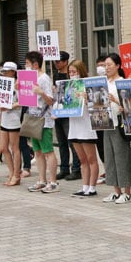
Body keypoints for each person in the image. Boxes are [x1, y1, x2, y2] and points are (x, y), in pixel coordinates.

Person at [25, 51, 59, 194]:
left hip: (44, 119)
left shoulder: (44, 78)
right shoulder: (28, 78)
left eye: (27, 64)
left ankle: (53, 181)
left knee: (48, 151)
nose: (25, 66)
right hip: (33, 117)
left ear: (35, 64)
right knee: (38, 151)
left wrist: (41, 92)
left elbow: (51, 100)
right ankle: (41, 179)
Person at [100, 53, 131, 203]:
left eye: (109, 65)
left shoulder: (122, 82)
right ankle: (116, 190)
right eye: (105, 65)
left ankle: (127, 191)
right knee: (109, 158)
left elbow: (130, 105)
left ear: (118, 66)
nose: (106, 68)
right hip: (106, 123)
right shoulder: (103, 83)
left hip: (119, 124)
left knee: (121, 157)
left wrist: (117, 101)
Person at [66, 60, 100, 198]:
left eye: (74, 72)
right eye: (70, 72)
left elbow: (98, 105)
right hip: (74, 126)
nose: (72, 75)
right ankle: (84, 186)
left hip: (86, 126)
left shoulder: (88, 86)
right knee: (82, 159)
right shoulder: (68, 87)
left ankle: (92, 187)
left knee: (91, 158)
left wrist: (87, 99)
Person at [53, 50, 82, 181]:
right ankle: (64, 168)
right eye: (55, 61)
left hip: (69, 113)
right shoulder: (55, 75)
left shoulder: (71, 78)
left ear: (65, 62)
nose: (56, 64)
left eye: (58, 61)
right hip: (58, 111)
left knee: (72, 142)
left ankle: (76, 169)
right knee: (61, 142)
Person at [0, 62, 23, 187]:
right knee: (3, 147)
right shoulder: (3, 84)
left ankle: (17, 174)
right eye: (4, 71)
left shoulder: (18, 85)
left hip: (14, 118)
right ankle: (11, 172)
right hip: (4, 119)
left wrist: (9, 106)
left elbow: (22, 101)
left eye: (7, 71)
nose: (5, 73)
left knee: (14, 147)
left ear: (13, 72)